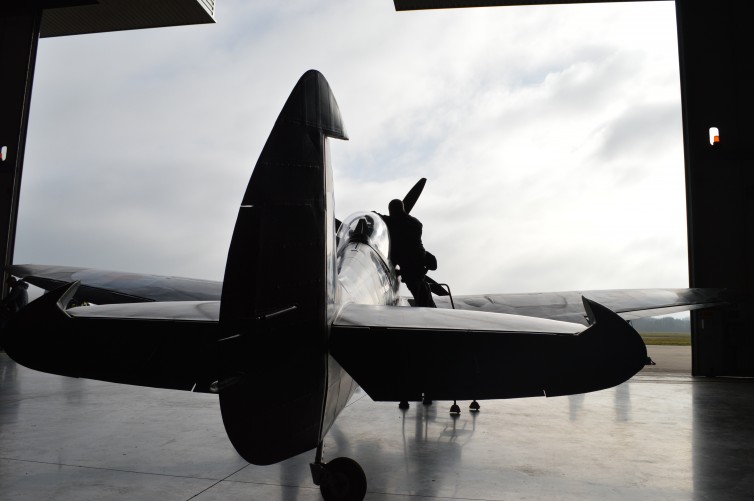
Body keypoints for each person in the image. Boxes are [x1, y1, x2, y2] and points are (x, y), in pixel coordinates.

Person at [381, 199, 437, 307]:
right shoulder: (416, 223)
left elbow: (381, 218)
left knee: (421, 296)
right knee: (423, 291)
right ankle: (430, 309)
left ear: (391, 210)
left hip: (409, 266)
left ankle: (428, 314)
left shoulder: (391, 222)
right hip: (420, 261)